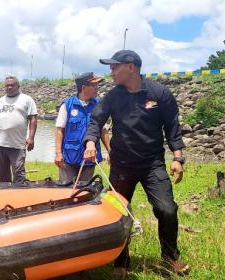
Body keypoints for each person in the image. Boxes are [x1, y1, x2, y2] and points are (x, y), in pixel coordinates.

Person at [83, 50, 189, 277]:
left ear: (131, 67)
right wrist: (91, 142)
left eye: (114, 67)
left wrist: (178, 158)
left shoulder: (159, 93)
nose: (110, 72)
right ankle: (121, 262)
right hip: (122, 164)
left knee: (167, 210)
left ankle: (170, 258)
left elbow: (172, 127)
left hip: (152, 164)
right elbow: (96, 120)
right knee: (118, 212)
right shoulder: (113, 96)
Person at [54, 72, 111, 183]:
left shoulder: (98, 105)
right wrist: (58, 153)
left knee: (84, 191)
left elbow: (103, 130)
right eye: (94, 86)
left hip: (90, 158)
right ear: (84, 87)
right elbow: (59, 130)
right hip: (69, 157)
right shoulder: (68, 105)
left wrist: (110, 150)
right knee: (66, 191)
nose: (97, 88)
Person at [0, 76, 38, 183]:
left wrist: (31, 138)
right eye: (7, 85)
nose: (9, 87)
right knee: (2, 175)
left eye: (12, 85)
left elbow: (33, 119)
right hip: (0, 144)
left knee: (19, 175)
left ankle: (19, 198)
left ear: (18, 86)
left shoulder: (27, 100)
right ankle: (5, 197)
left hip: (17, 145)